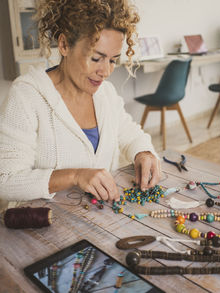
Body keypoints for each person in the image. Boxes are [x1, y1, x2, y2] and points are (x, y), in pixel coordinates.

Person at [0, 0, 160, 206]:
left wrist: (143, 153)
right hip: (41, 228)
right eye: (96, 58)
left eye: (112, 60)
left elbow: (130, 134)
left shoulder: (106, 94)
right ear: (64, 45)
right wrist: (75, 176)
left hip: (98, 220)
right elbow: (4, 180)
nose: (106, 72)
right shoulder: (27, 96)